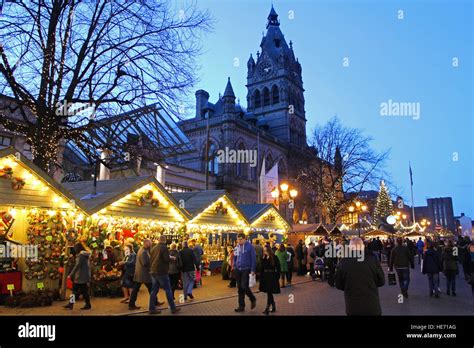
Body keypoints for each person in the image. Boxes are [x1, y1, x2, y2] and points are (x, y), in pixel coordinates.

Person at [335, 237, 385, 316]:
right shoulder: (372, 259)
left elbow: (338, 284)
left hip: (353, 307)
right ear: (362, 247)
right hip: (372, 305)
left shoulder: (343, 262)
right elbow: (382, 281)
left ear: (350, 248)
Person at [149, 236, 181, 314]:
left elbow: (152, 258)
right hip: (161, 271)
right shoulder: (164, 248)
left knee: (154, 290)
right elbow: (166, 259)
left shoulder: (153, 248)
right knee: (168, 290)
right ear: (165, 240)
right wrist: (172, 259)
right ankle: (173, 308)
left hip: (153, 271)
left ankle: (151, 308)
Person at [128, 239, 163, 310]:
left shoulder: (142, 250)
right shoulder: (143, 251)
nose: (151, 244)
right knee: (148, 288)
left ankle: (132, 304)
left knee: (141, 288)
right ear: (146, 243)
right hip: (143, 274)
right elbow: (145, 263)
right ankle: (131, 304)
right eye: (150, 243)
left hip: (141, 273)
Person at [233, 233, 257, 312]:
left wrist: (253, 270)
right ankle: (241, 306)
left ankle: (252, 298)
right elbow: (235, 257)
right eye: (238, 239)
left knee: (244, 286)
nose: (239, 241)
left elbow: (253, 259)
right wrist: (234, 266)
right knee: (240, 289)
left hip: (246, 269)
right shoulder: (237, 247)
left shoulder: (250, 247)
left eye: (240, 239)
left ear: (244, 239)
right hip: (238, 269)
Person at [259, 245, 281, 315]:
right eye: (264, 250)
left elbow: (278, 267)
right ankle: (273, 305)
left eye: (266, 250)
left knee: (269, 292)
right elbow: (262, 268)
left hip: (272, 276)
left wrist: (277, 276)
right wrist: (261, 277)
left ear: (269, 250)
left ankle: (267, 308)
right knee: (269, 292)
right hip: (265, 277)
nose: (265, 252)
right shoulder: (263, 257)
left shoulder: (274, 257)